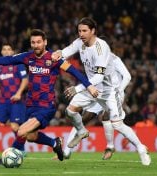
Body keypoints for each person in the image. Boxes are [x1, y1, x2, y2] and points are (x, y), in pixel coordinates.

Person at [0, 29, 98, 165]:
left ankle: (4, 159)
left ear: (45, 42)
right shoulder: (27, 57)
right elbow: (7, 60)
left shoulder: (54, 58)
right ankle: (54, 143)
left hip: (46, 105)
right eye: (33, 42)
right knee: (30, 136)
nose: (36, 45)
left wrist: (89, 86)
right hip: (31, 104)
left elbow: (74, 71)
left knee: (21, 131)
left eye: (39, 42)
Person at [51, 17, 151, 166]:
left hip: (108, 91)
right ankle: (81, 131)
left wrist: (78, 88)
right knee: (70, 111)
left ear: (93, 31)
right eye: (79, 31)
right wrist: (58, 53)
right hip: (91, 88)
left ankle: (141, 148)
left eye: (84, 31)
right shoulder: (80, 42)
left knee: (117, 125)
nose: (81, 34)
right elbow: (66, 51)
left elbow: (99, 76)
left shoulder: (102, 48)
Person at [63, 47, 132, 160]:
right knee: (82, 119)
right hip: (97, 93)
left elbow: (127, 76)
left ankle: (110, 147)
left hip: (112, 94)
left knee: (106, 116)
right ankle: (66, 151)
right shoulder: (93, 60)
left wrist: (119, 90)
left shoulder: (114, 59)